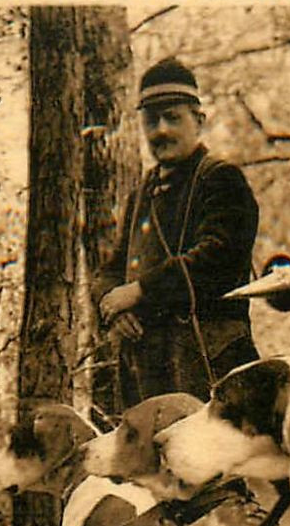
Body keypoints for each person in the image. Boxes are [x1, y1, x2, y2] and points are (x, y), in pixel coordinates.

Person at [96, 58, 261, 405]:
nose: (161, 131)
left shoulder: (220, 179)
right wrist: (116, 309)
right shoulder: (142, 192)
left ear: (198, 121)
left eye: (173, 117)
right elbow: (112, 268)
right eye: (151, 120)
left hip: (210, 370)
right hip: (148, 373)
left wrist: (139, 291)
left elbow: (218, 259)